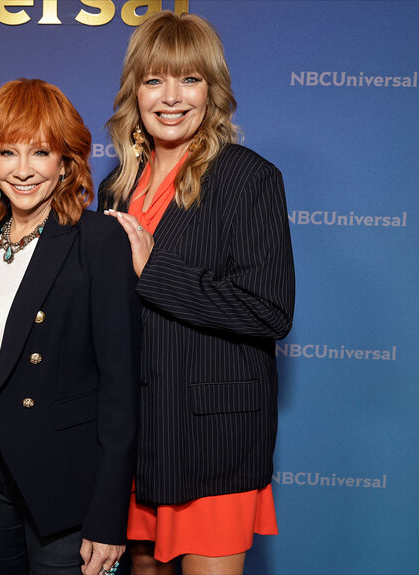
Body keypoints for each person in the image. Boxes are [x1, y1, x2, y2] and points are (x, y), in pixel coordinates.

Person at [98, 12, 295, 575]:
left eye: (190, 79)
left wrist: (154, 267)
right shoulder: (117, 186)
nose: (171, 97)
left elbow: (269, 310)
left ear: (213, 90)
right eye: (155, 80)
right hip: (135, 431)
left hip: (212, 437)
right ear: (135, 91)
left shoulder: (246, 177)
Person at [0, 78, 140, 575]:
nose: (23, 170)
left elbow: (121, 388)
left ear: (67, 161)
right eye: (7, 152)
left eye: (41, 152)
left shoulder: (98, 241)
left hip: (65, 477)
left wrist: (109, 517)